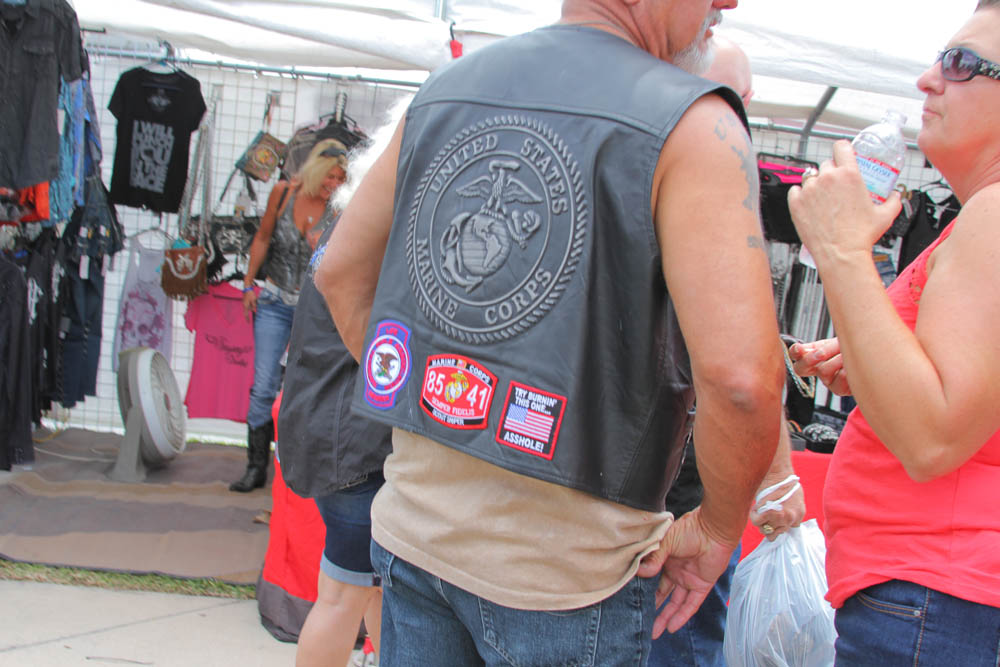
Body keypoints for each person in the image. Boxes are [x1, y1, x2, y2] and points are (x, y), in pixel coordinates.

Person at [317, 0, 794, 662]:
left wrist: (427, 401)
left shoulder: (446, 89)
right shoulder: (694, 123)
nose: (728, 3)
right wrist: (718, 528)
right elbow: (742, 380)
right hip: (571, 577)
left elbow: (339, 271)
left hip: (416, 534)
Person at [787, 2, 1000, 662]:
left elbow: (932, 437)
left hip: (932, 597)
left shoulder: (994, 216)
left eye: (963, 63)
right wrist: (876, 362)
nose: (928, 79)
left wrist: (842, 251)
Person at [649, 34, 805, 667]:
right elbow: (743, 374)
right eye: (731, 97)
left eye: (743, 100)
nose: (738, 113)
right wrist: (772, 479)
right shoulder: (701, 184)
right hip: (674, 503)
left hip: (665, 497)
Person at [277, 109, 405, 666]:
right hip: (351, 439)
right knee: (341, 597)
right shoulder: (373, 236)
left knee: (373, 589)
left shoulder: (349, 222)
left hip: (339, 430)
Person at [229, 139, 348, 493]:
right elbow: (263, 237)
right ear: (315, 170)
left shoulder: (342, 208)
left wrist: (324, 250)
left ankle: (295, 468)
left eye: (341, 178)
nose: (334, 184)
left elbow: (349, 263)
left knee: (300, 389)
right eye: (330, 176)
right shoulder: (283, 193)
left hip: (314, 312)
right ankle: (255, 466)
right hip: (274, 302)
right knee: (264, 384)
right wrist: (248, 284)